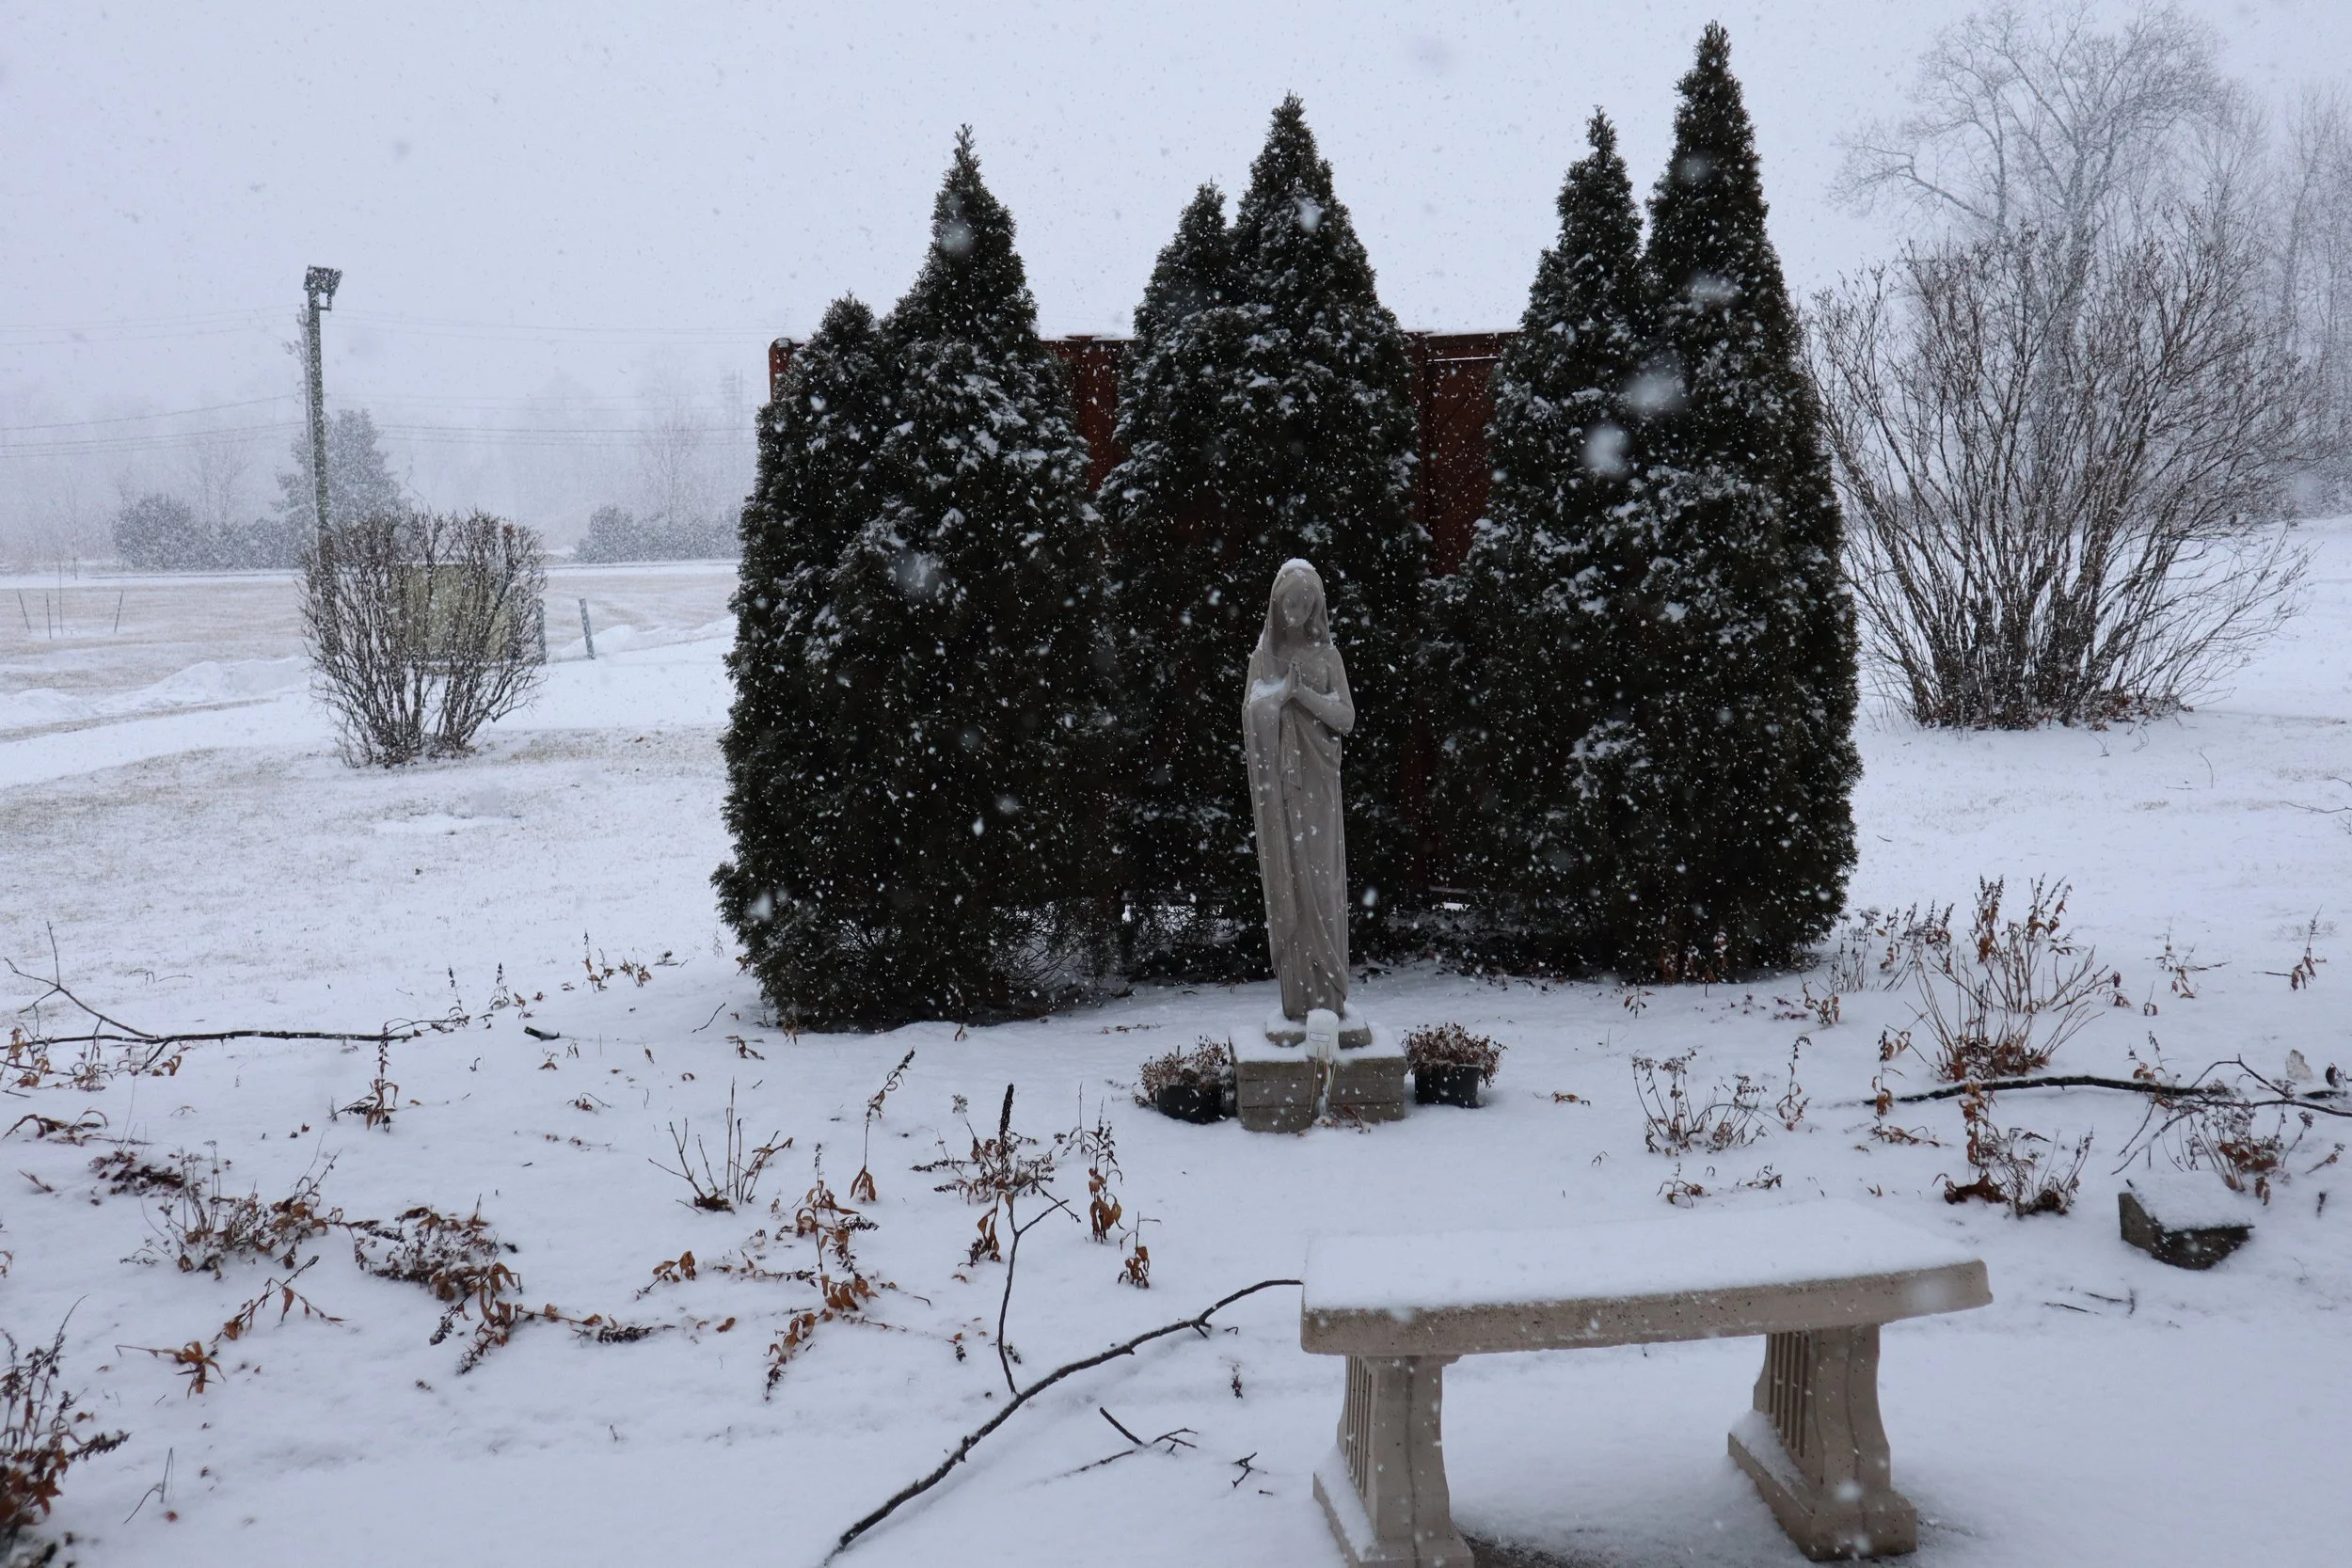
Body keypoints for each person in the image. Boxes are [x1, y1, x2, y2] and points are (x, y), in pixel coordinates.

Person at [1242, 559, 1356, 1025]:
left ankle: (1328, 992)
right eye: (1292, 602)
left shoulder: (1327, 657)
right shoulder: (1263, 659)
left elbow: (1345, 718)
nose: (1299, 611)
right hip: (1281, 795)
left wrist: (1300, 694)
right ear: (1276, 603)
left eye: (1308, 604)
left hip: (1319, 791)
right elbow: (1251, 719)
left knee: (1324, 883)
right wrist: (1276, 696)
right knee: (1289, 875)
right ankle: (1298, 996)